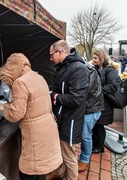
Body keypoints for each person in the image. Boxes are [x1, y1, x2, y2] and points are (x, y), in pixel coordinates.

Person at [0, 53, 63, 179]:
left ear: (12, 69)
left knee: (28, 172)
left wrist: (5, 109)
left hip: (35, 134)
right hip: (48, 128)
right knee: (41, 169)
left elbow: (16, 115)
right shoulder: (38, 77)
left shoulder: (20, 82)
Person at [49, 40, 89, 179]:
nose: (51, 58)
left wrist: (53, 96)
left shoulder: (78, 69)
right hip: (62, 118)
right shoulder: (64, 67)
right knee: (63, 153)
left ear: (60, 52)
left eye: (52, 54)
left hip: (70, 120)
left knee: (69, 156)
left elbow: (76, 99)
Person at [91, 50, 120, 154]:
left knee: (99, 126)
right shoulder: (96, 69)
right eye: (93, 58)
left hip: (105, 104)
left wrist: (97, 91)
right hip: (97, 102)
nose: (93, 60)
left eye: (95, 58)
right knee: (95, 125)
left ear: (102, 59)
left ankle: (99, 146)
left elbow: (114, 85)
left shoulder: (109, 70)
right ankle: (96, 144)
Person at [78, 61, 104, 172]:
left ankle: (85, 159)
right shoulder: (83, 68)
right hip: (86, 108)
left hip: (90, 109)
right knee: (85, 134)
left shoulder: (89, 70)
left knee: (85, 134)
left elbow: (86, 91)